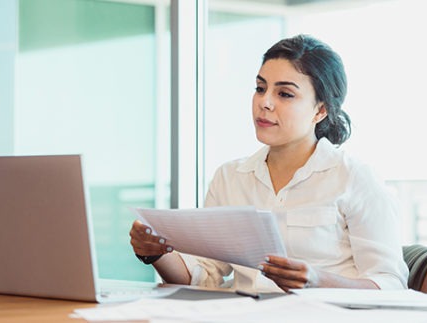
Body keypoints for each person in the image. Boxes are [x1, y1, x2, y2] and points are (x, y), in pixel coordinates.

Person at [130, 34, 409, 293]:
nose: (264, 102)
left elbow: (391, 284)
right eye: (260, 88)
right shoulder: (230, 177)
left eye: (284, 94)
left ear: (320, 110)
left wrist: (316, 280)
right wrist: (155, 253)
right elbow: (205, 275)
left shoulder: (354, 177)